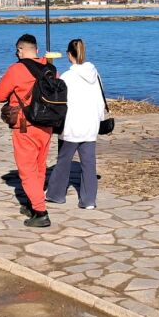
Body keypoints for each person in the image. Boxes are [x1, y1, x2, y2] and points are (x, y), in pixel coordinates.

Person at [0, 34, 53, 228]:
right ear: (36, 49)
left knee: (27, 170)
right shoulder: (50, 68)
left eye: (18, 50)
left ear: (20, 50)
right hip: (46, 124)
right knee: (40, 167)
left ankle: (40, 211)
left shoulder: (17, 69)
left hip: (24, 125)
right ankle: (31, 203)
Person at [46, 38, 106, 209]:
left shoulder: (67, 77)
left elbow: (58, 101)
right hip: (90, 125)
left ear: (68, 55)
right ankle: (88, 200)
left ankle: (56, 194)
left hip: (72, 125)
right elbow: (100, 100)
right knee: (89, 163)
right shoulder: (95, 74)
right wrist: (99, 119)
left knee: (64, 160)